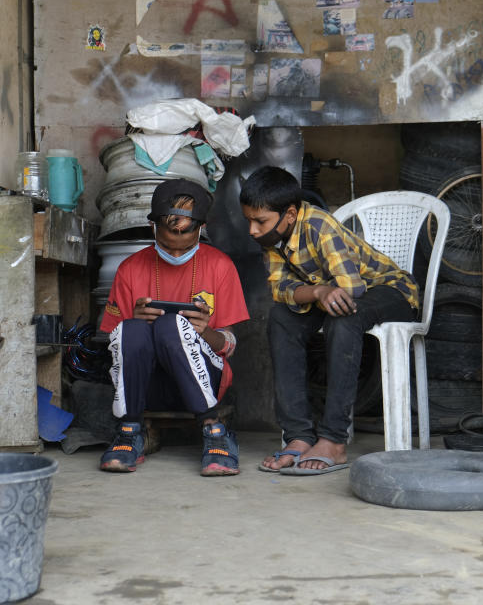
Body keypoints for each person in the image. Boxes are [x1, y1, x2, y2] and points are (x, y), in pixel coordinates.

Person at [239, 166, 420, 474]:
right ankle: (297, 436)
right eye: (249, 221)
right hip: (333, 294)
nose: (253, 230)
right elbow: (280, 289)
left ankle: (334, 441)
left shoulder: (320, 227)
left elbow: (351, 288)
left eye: (260, 221)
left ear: (290, 214)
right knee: (281, 318)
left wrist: (318, 292)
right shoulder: (273, 240)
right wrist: (318, 290)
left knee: (342, 318)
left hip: (391, 291)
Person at [99, 178, 250, 475]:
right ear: (153, 228)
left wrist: (205, 332)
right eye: (168, 246)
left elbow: (230, 346)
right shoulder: (130, 268)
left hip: (205, 384)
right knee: (131, 329)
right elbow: (112, 344)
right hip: (146, 387)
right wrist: (135, 321)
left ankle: (213, 429)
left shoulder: (220, 266)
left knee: (172, 326)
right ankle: (129, 430)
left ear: (201, 230)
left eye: (186, 247)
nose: (177, 255)